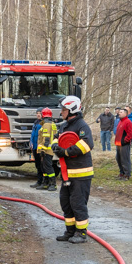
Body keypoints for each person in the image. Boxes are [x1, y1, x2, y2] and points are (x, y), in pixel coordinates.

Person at [51, 96, 94, 244]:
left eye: (64, 110)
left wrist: (66, 152)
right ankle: (70, 231)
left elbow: (86, 145)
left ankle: (81, 233)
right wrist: (55, 146)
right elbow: (57, 138)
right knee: (66, 202)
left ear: (72, 110)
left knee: (78, 203)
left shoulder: (82, 126)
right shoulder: (64, 126)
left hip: (81, 173)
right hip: (67, 173)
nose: (61, 112)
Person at [36, 107, 58, 191]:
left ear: (43, 115)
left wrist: (43, 150)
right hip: (49, 149)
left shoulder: (46, 125)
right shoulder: (51, 123)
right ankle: (45, 183)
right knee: (44, 166)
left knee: (48, 166)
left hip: (47, 150)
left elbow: (46, 138)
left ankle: (53, 184)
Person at [114, 108, 132, 180]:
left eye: (121, 112)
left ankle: (127, 175)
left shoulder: (128, 122)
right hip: (118, 144)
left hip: (124, 144)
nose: (119, 113)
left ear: (125, 114)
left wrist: (125, 141)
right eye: (119, 112)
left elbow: (130, 133)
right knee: (118, 159)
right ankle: (122, 173)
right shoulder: (120, 121)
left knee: (125, 159)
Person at [30, 108, 44, 188]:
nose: (38, 114)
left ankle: (42, 182)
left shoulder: (43, 123)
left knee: (42, 166)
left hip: (40, 148)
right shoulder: (35, 123)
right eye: (37, 113)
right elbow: (32, 134)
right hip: (35, 147)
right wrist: (31, 142)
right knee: (38, 165)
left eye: (40, 113)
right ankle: (39, 181)